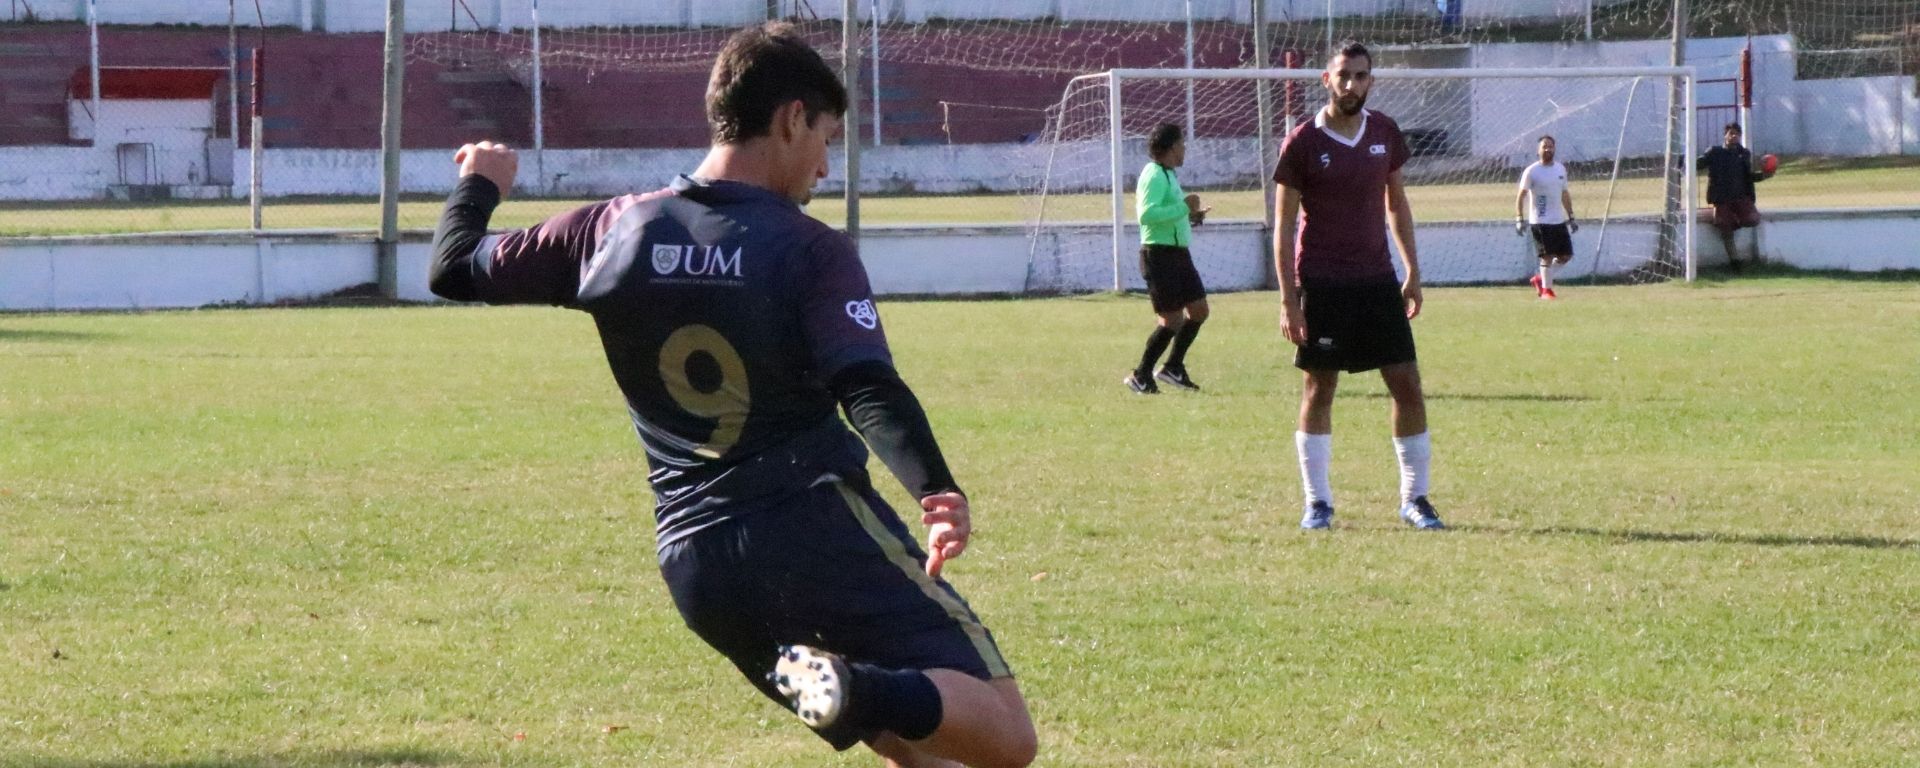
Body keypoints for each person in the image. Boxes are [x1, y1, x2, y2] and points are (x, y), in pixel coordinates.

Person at [426, 23, 1036, 768]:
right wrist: (935, 487)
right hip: (811, 525)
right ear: (791, 119)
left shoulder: (609, 230)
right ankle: (860, 688)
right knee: (1005, 734)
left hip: (699, 566)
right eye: (826, 137)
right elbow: (865, 384)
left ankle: (854, 688)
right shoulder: (808, 248)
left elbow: (454, 266)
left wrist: (481, 181)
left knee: (925, 752)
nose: (824, 164)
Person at [1272, 41, 1444, 532]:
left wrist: (1412, 270)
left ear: (1371, 81)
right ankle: (1318, 502)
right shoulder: (1303, 142)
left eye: (1361, 76)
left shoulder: (1385, 132)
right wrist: (1289, 299)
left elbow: (1397, 203)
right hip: (1323, 284)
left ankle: (1415, 499)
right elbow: (1284, 227)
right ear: (1327, 79)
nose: (1352, 85)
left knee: (1407, 384)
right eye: (1344, 75)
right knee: (1319, 388)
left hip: (1377, 282)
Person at [1124, 122, 1211, 394]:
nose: (1185, 149)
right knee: (1171, 320)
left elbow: (1170, 213)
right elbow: (1146, 216)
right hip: (1158, 255)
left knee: (1199, 311)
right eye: (1182, 144)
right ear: (1172, 147)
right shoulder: (1153, 175)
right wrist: (1182, 208)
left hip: (1177, 254)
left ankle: (1173, 367)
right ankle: (1141, 375)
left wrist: (1190, 216)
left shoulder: (1168, 174)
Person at [1699, 122, 1774, 271]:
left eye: (1737, 134)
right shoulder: (1715, 152)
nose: (1734, 136)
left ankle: (1733, 221)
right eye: (1731, 133)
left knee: (1753, 219)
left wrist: (1764, 175)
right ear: (1725, 135)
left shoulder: (1743, 154)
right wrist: (1682, 161)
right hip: (1722, 199)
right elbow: (1699, 164)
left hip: (1741, 198)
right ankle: (1735, 263)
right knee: (1725, 230)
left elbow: (1748, 176)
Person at [1514, 135, 1578, 299]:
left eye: (1550, 146)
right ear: (1538, 150)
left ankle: (1540, 279)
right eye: (1544, 146)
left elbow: (1564, 193)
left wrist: (1571, 217)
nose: (1548, 149)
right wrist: (1519, 219)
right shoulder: (1532, 171)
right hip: (1540, 220)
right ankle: (1546, 291)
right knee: (1547, 256)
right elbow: (1521, 195)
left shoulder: (1560, 169)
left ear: (1554, 149)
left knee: (1565, 256)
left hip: (1558, 220)